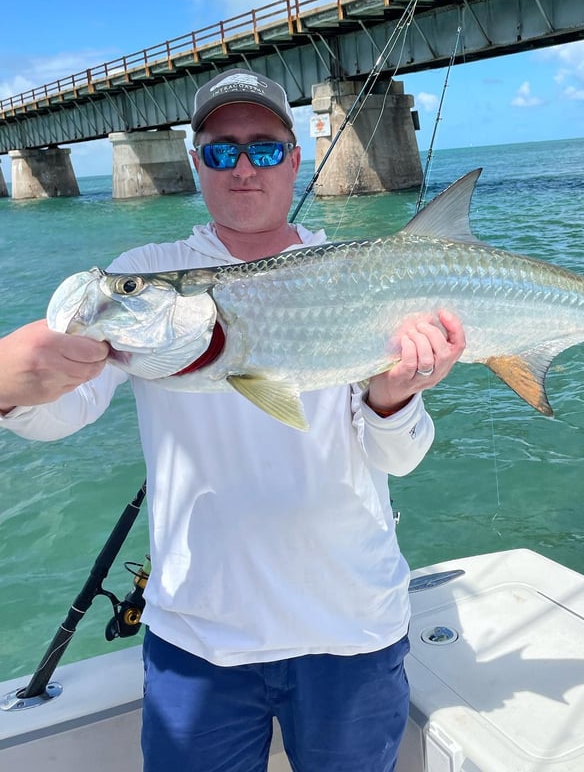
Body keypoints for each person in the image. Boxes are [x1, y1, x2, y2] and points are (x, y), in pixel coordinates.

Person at [0, 67, 466, 772]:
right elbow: (64, 411)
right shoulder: (148, 277)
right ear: (196, 162)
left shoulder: (356, 274)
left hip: (352, 627)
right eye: (221, 151)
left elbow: (398, 458)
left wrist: (395, 397)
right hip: (198, 641)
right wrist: (12, 387)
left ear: (295, 158)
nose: (243, 167)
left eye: (264, 149)